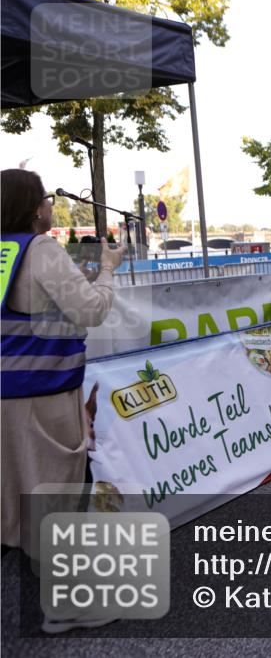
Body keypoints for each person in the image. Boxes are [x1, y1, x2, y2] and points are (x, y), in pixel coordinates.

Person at [1, 169, 124, 551]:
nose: (50, 207)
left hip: (6, 394)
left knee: (11, 496)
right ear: (35, 210)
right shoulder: (41, 249)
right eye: (46, 200)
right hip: (42, 394)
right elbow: (91, 311)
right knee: (53, 492)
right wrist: (107, 269)